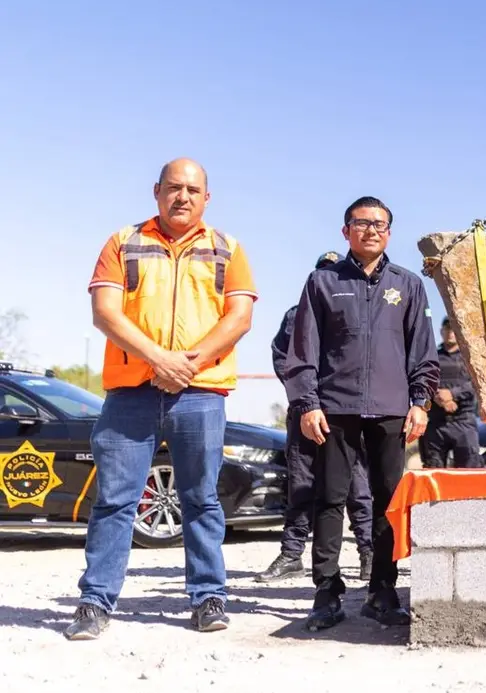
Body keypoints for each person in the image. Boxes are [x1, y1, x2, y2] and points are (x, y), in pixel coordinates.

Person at [65, 158, 257, 640]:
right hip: (131, 395)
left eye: (193, 189)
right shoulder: (122, 242)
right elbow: (104, 312)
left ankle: (209, 597)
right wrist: (159, 361)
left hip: (201, 394)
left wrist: (186, 365)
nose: (183, 197)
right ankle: (95, 602)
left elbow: (239, 318)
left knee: (202, 498)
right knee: (115, 501)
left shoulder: (228, 248)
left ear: (207, 198)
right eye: (174, 187)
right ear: (156, 191)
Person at [283, 196, 440, 631]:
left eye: (380, 224)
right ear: (345, 230)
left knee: (391, 501)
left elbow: (422, 352)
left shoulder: (407, 285)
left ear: (389, 232)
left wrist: (420, 401)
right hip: (335, 409)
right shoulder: (322, 282)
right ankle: (327, 593)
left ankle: (382, 592)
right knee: (330, 499)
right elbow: (303, 350)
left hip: (392, 411)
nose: (371, 230)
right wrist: (307, 404)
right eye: (361, 223)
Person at [255, 251, 375, 583]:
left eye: (332, 273)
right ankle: (292, 555)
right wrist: (304, 394)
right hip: (305, 412)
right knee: (301, 485)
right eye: (321, 273)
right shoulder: (296, 316)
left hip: (346, 412)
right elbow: (283, 357)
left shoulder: (356, 312)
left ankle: (368, 553)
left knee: (356, 486)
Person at [421, 317, 483, 468]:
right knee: (433, 475)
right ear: (441, 331)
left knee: (469, 476)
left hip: (463, 421)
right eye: (447, 328)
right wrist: (439, 397)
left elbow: (477, 384)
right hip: (436, 423)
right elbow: (422, 381)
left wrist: (452, 394)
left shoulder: (471, 358)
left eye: (453, 328)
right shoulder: (431, 357)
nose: (450, 332)